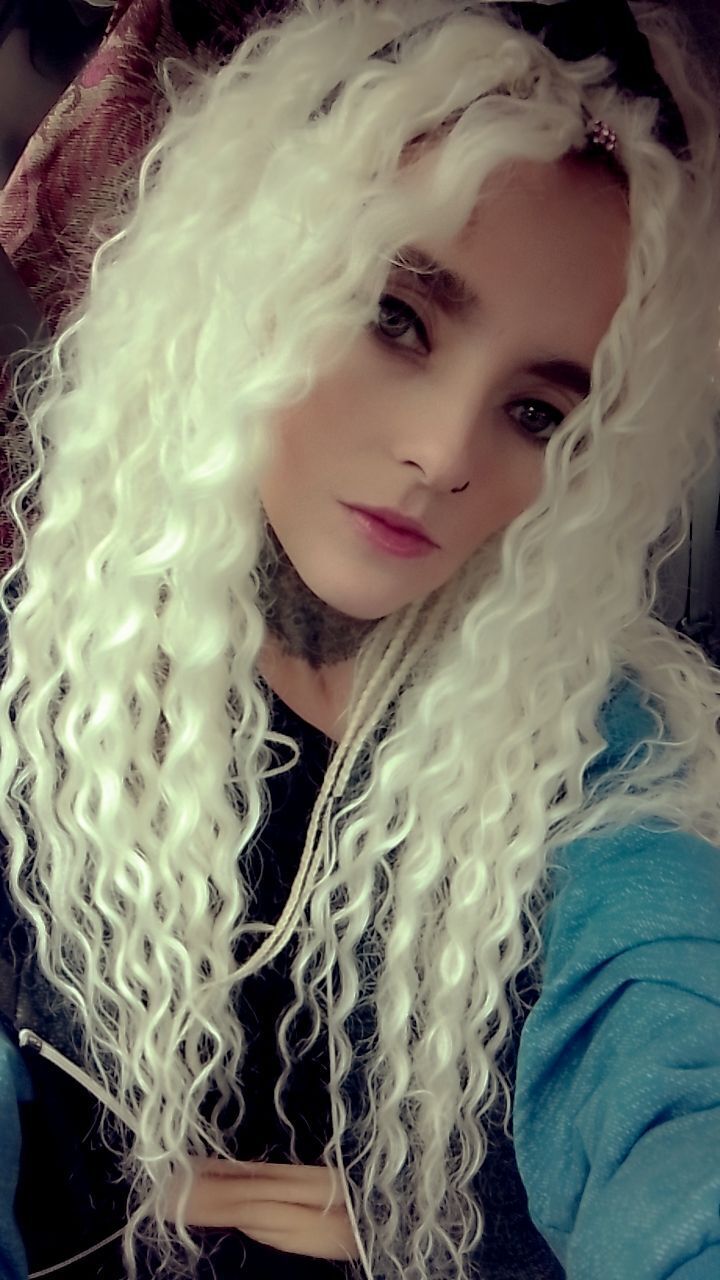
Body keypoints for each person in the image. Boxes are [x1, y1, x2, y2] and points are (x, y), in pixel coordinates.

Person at [0, 0, 718, 1277]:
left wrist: (478, 1239)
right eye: (395, 316)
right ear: (250, 281)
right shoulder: (46, 682)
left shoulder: (597, 743)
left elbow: (669, 1078)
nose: (443, 453)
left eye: (539, 411)